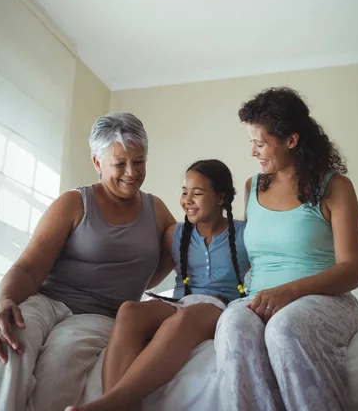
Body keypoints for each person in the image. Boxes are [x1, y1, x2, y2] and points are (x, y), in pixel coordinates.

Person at [0, 113, 175, 411]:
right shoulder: (74, 203)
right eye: (120, 164)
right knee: (12, 345)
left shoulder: (156, 210)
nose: (131, 172)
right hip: (47, 301)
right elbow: (28, 266)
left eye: (139, 161)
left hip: (100, 316)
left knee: (60, 366)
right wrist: (3, 300)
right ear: (97, 163)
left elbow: (179, 252)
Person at [215, 87, 358, 411]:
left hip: (326, 300)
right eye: (251, 142)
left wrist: (289, 291)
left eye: (260, 143)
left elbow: (352, 269)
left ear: (291, 141)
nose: (253, 151)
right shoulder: (252, 187)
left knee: (285, 328)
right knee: (232, 324)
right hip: (259, 299)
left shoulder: (335, 187)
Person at [65, 158, 249, 411]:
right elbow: (152, 276)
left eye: (197, 193)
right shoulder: (175, 234)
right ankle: (115, 403)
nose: (187, 200)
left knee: (183, 321)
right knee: (130, 310)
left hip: (218, 307)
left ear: (220, 197)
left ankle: (112, 402)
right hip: (181, 302)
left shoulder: (244, 234)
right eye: (184, 192)